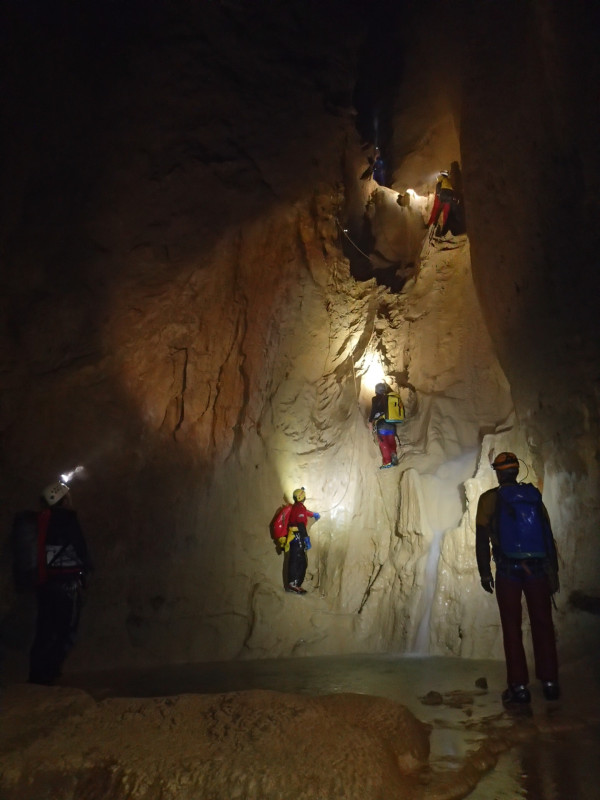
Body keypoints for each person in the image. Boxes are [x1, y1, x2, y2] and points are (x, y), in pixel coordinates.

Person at [475, 452, 560, 706]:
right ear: (516, 471)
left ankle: (519, 687)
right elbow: (547, 534)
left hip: (508, 571)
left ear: (498, 473)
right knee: (543, 623)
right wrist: (552, 571)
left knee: (512, 627)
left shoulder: (489, 499)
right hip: (537, 571)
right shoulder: (533, 496)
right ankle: (550, 683)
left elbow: (482, 539)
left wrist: (484, 572)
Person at [17, 481, 92, 685]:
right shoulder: (67, 520)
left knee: (44, 630)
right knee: (65, 632)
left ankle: (36, 676)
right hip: (66, 583)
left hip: (45, 583)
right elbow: (81, 549)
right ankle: (49, 674)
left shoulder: (41, 520)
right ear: (63, 500)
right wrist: (86, 570)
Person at [285, 487, 320, 595]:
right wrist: (306, 538)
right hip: (297, 536)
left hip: (294, 536)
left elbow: (304, 512)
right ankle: (293, 584)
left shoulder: (297, 506)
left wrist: (313, 514)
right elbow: (300, 524)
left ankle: (295, 584)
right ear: (302, 497)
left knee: (300, 560)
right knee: (298, 560)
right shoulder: (299, 508)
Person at [369, 383, 399, 469]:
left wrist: (370, 421)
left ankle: (387, 462)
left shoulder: (375, 399)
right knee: (391, 441)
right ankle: (393, 453)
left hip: (381, 424)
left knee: (383, 443)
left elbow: (373, 410)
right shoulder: (389, 398)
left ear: (376, 391)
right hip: (392, 424)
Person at [427, 170, 455, 235]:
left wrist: (439, 195)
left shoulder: (441, 181)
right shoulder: (449, 181)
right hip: (449, 198)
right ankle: (445, 230)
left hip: (441, 197)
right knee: (446, 213)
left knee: (437, 211)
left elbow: (438, 189)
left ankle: (434, 224)